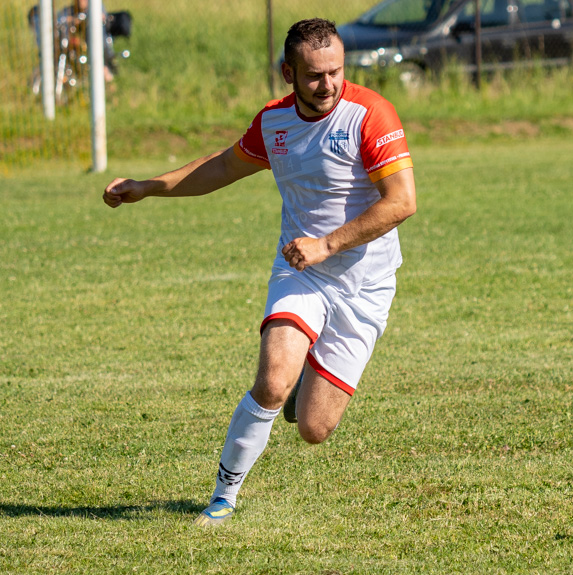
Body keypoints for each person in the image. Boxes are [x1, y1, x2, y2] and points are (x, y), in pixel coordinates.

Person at [102, 18, 417, 526]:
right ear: (288, 73)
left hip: (366, 283)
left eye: (336, 71)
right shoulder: (274, 124)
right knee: (270, 380)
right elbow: (223, 167)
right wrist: (148, 186)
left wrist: (329, 243)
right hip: (302, 271)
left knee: (314, 428)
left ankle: (301, 383)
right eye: (314, 75)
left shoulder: (370, 115)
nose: (328, 84)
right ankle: (223, 498)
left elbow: (401, 202)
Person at [56, 0, 116, 81]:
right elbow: (59, 20)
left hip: (93, 41)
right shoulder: (69, 11)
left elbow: (103, 17)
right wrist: (74, 20)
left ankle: (104, 67)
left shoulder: (97, 8)